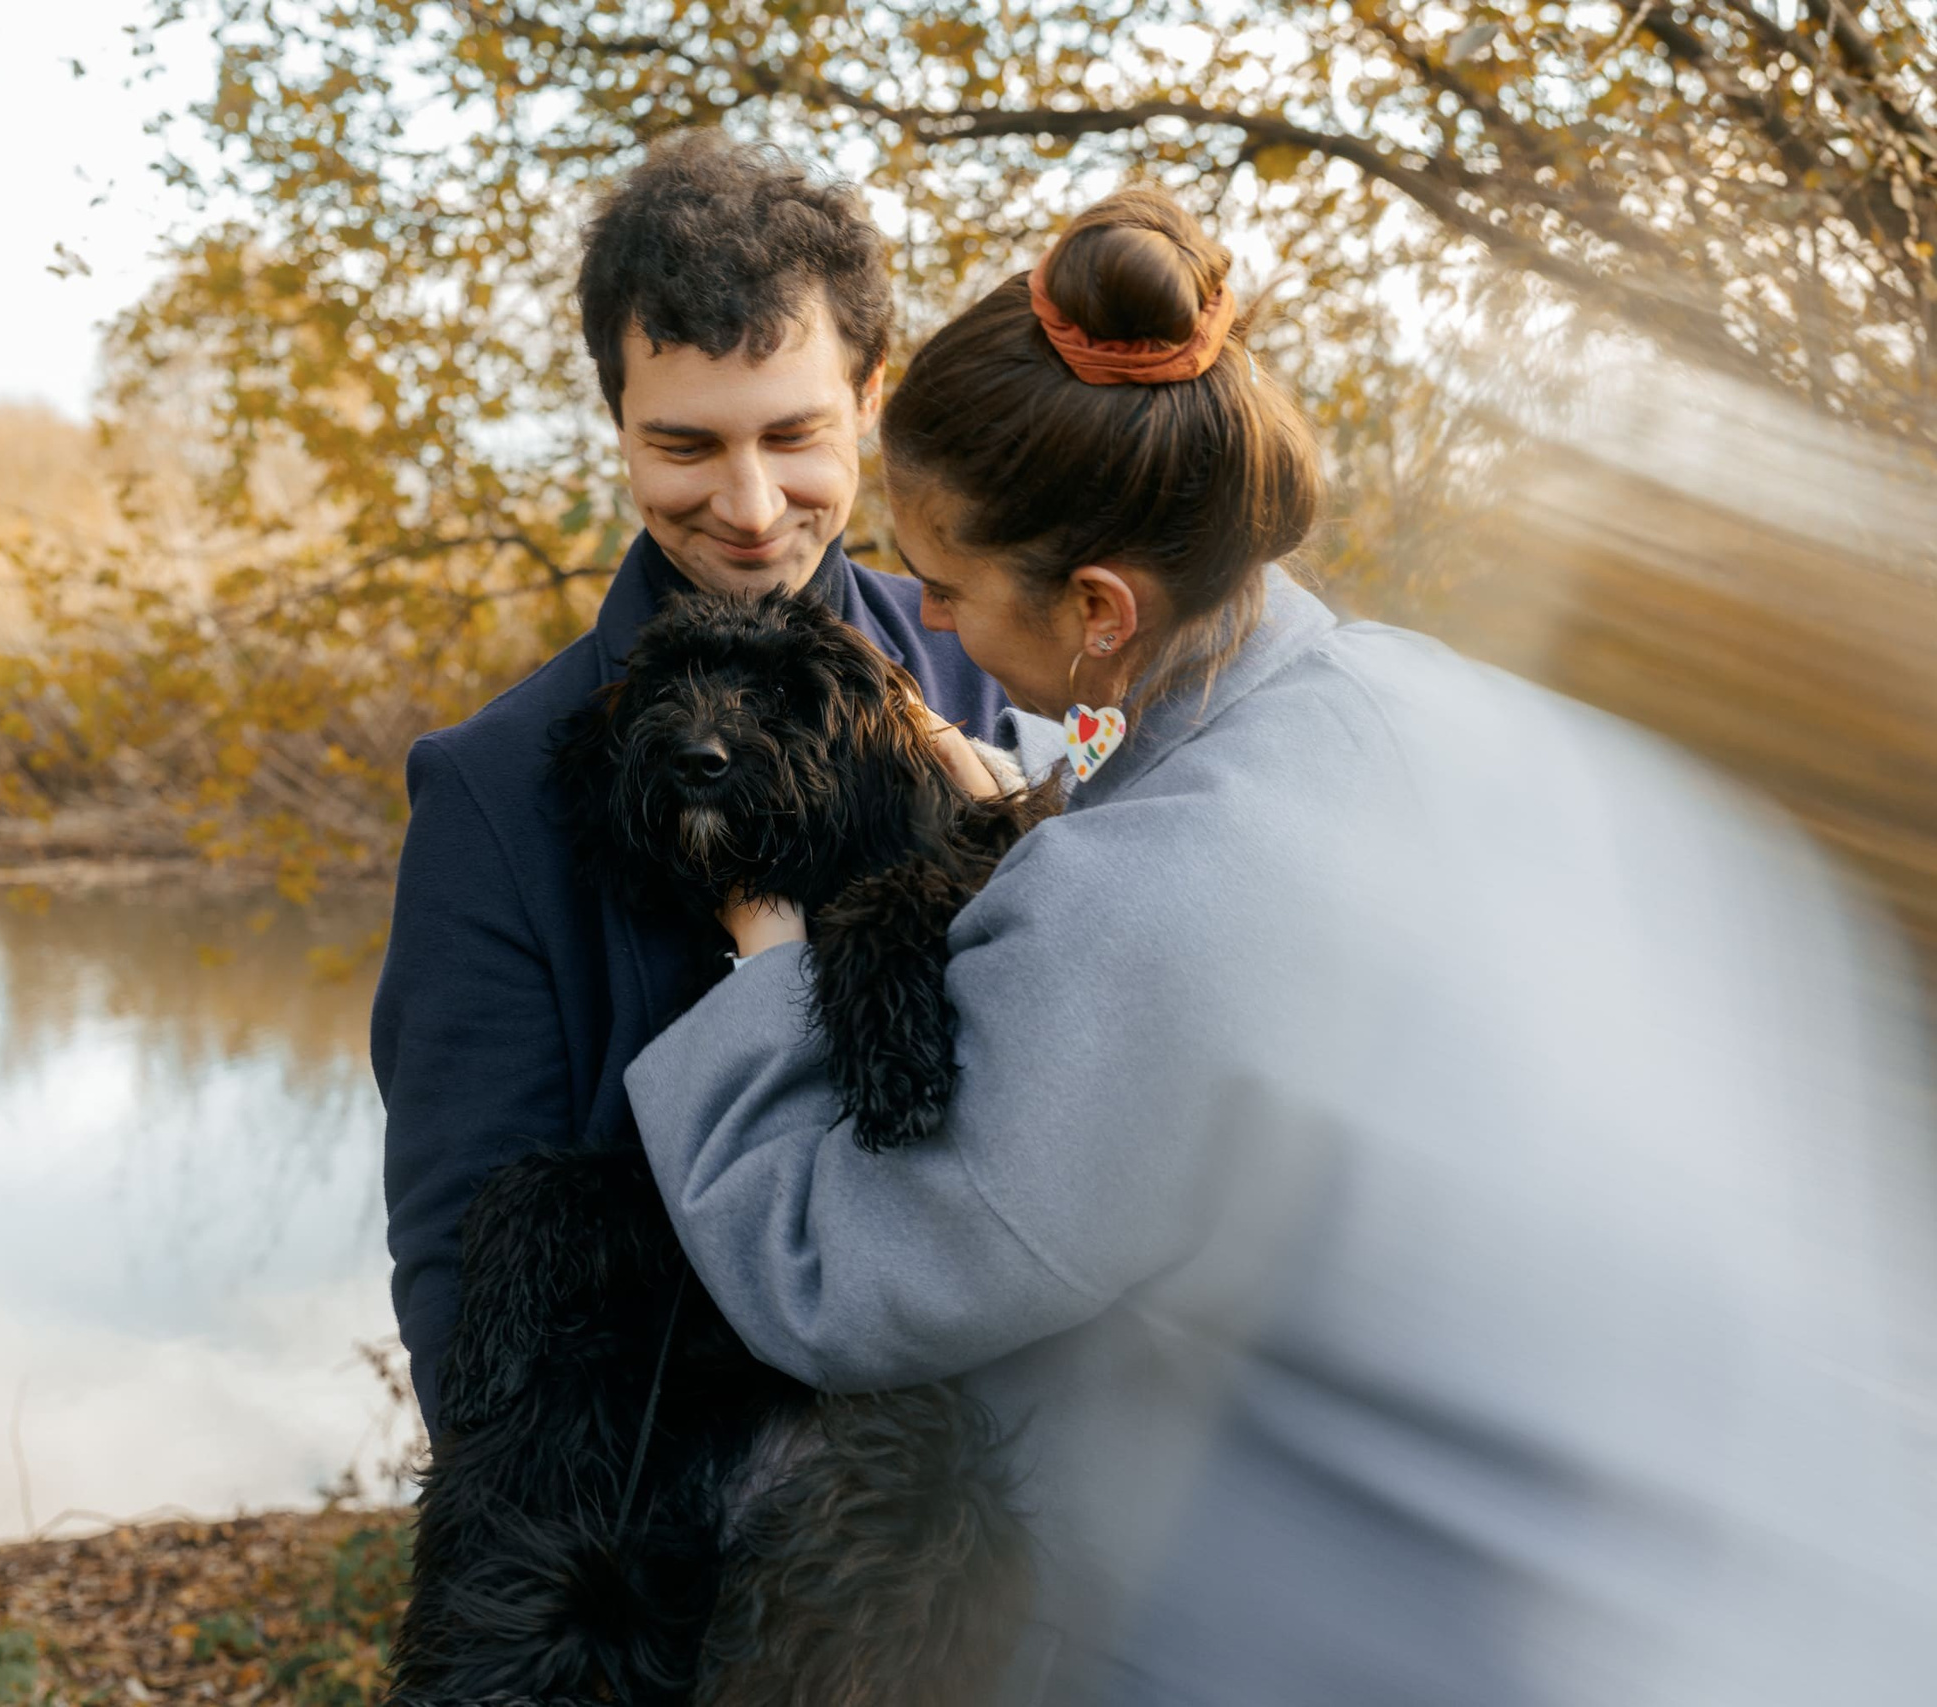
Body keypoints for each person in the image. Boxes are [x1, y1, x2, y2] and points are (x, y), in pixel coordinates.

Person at [624, 186, 1937, 1704]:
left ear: (1101, 608)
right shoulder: (1436, 707)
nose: (918, 615)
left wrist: (770, 950)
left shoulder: (1159, 895)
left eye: (947, 586)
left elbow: (842, 1280)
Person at [371, 134, 1034, 1431]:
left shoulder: (989, 677)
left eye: (794, 436)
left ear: (872, 399)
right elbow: (466, 1271)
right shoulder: (491, 789)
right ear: (615, 420)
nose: (748, 505)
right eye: (684, 445)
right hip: (677, 1518)